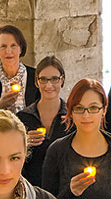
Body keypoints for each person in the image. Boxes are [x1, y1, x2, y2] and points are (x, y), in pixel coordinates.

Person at [17, 56, 69, 187]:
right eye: (43, 79)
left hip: (65, 187)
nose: (49, 85)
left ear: (62, 80)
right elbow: (13, 157)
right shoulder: (23, 118)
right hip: (32, 188)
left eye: (54, 79)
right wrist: (24, 143)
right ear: (36, 82)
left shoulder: (72, 117)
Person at [0, 25, 40, 113]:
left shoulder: (35, 76)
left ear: (20, 48)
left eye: (13, 46)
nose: (8, 51)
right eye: (3, 46)